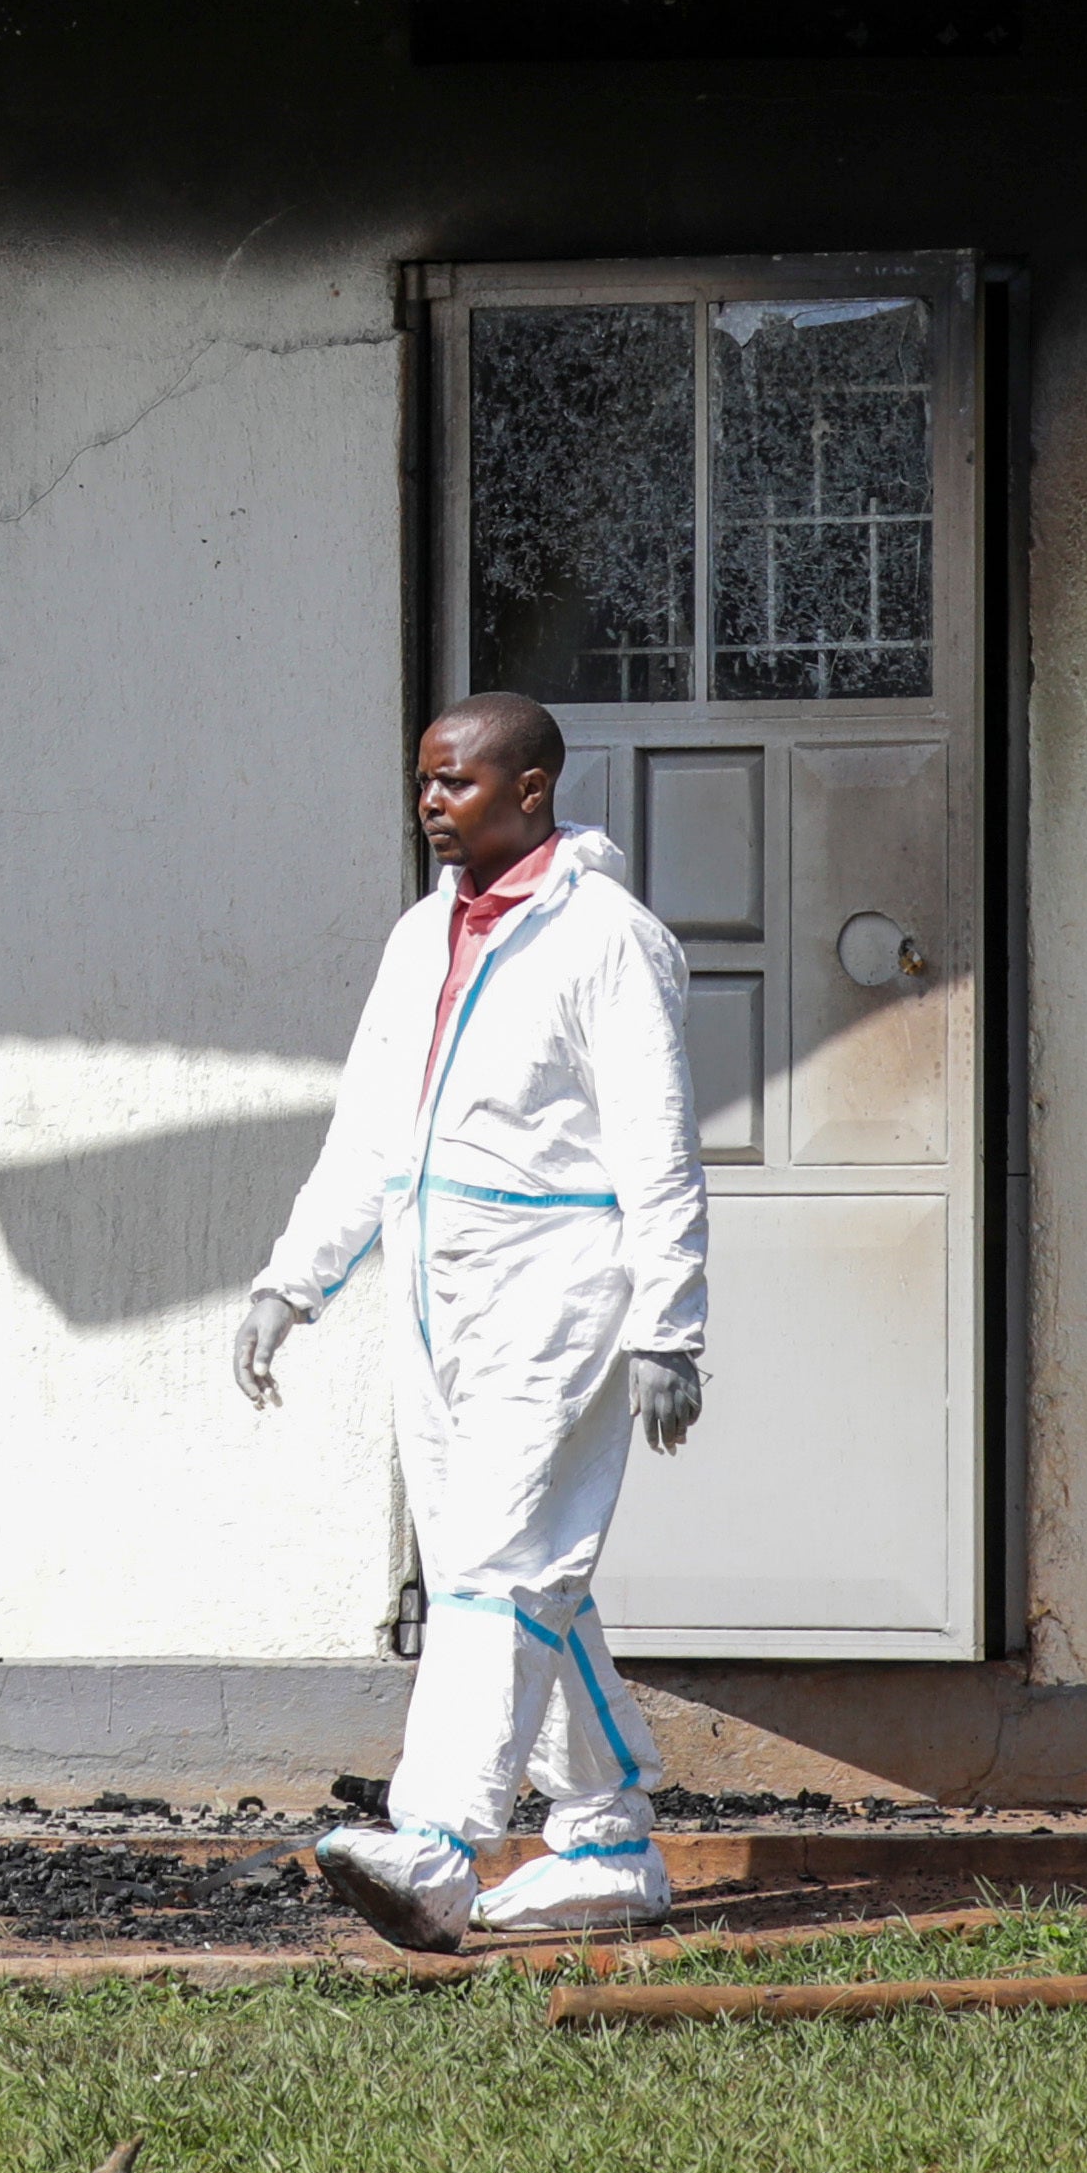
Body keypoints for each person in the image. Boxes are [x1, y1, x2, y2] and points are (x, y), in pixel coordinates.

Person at [234, 691, 706, 1950]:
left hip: (559, 1294)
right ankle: (606, 1839)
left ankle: (438, 1845)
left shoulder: (610, 937)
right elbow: (371, 1128)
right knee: (502, 1570)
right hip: (438, 1292)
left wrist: (670, 1322)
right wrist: (296, 1277)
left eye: (456, 782)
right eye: (425, 780)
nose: (431, 803)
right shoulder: (421, 934)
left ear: (532, 789)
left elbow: (662, 1143)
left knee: (500, 1566)